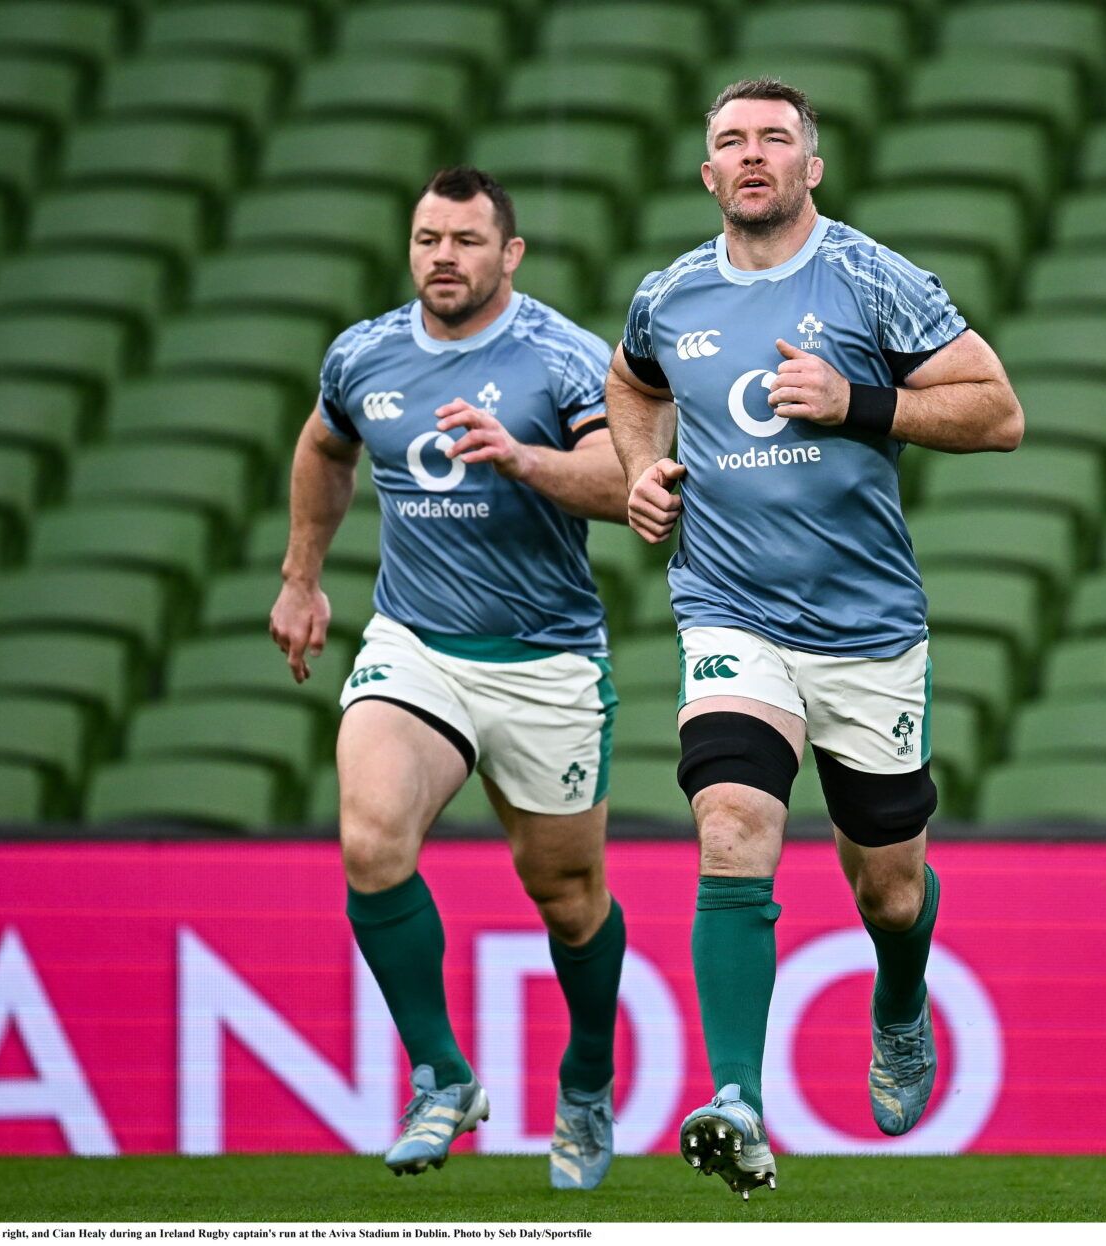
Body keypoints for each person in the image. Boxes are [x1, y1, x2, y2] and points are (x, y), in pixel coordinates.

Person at [604, 79, 1025, 1198]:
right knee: (733, 821)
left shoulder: (873, 279)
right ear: (708, 173)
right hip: (729, 611)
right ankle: (738, 1100)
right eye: (732, 141)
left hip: (867, 631)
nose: (753, 155)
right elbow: (630, 383)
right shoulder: (669, 296)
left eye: (775, 139)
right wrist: (639, 468)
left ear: (812, 167)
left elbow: (999, 412)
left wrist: (859, 403)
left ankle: (901, 997)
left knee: (890, 890)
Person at [269, 165, 630, 1190]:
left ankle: (587, 1078)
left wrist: (521, 458)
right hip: (416, 644)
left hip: (546, 659)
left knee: (567, 895)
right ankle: (442, 1074)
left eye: (467, 241)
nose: (443, 257)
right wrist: (301, 577)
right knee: (370, 838)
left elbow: (623, 482)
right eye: (428, 238)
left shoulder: (562, 357)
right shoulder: (365, 353)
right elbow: (325, 446)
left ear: (510, 254)